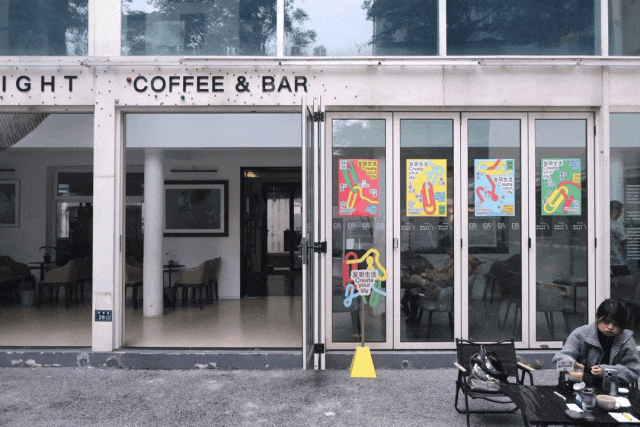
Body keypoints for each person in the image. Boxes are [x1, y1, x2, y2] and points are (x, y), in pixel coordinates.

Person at [553, 299, 640, 387]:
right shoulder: (580, 334)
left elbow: (634, 372)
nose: (610, 327)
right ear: (597, 318)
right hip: (581, 384)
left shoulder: (626, 339)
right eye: (606, 322)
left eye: (616, 324)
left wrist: (606, 372)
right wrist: (571, 363)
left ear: (622, 325)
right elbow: (559, 363)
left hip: (615, 387)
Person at [401, 236, 480, 323]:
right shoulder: (458, 258)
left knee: (414, 279)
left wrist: (429, 276)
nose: (445, 251)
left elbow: (448, 277)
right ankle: (410, 312)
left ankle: (407, 308)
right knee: (415, 286)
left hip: (444, 290)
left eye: (446, 249)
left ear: (452, 248)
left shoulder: (460, 261)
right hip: (445, 287)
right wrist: (428, 272)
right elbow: (444, 271)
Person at [610, 200, 627, 268]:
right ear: (615, 210)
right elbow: (625, 243)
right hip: (617, 262)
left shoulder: (604, 223)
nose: (619, 215)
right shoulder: (615, 227)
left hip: (609, 261)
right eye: (619, 212)